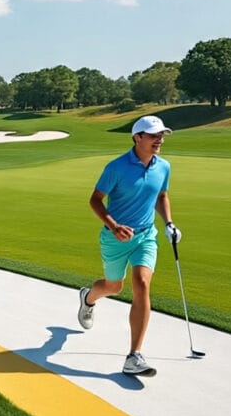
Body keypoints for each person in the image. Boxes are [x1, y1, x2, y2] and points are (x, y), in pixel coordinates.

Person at [77, 115, 181, 377]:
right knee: (114, 286)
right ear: (137, 137)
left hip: (146, 236)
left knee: (142, 284)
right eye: (154, 135)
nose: (160, 140)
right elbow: (95, 200)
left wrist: (168, 223)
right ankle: (88, 298)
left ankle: (134, 356)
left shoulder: (164, 167)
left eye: (162, 135)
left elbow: (162, 196)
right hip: (115, 238)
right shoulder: (117, 167)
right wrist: (114, 226)